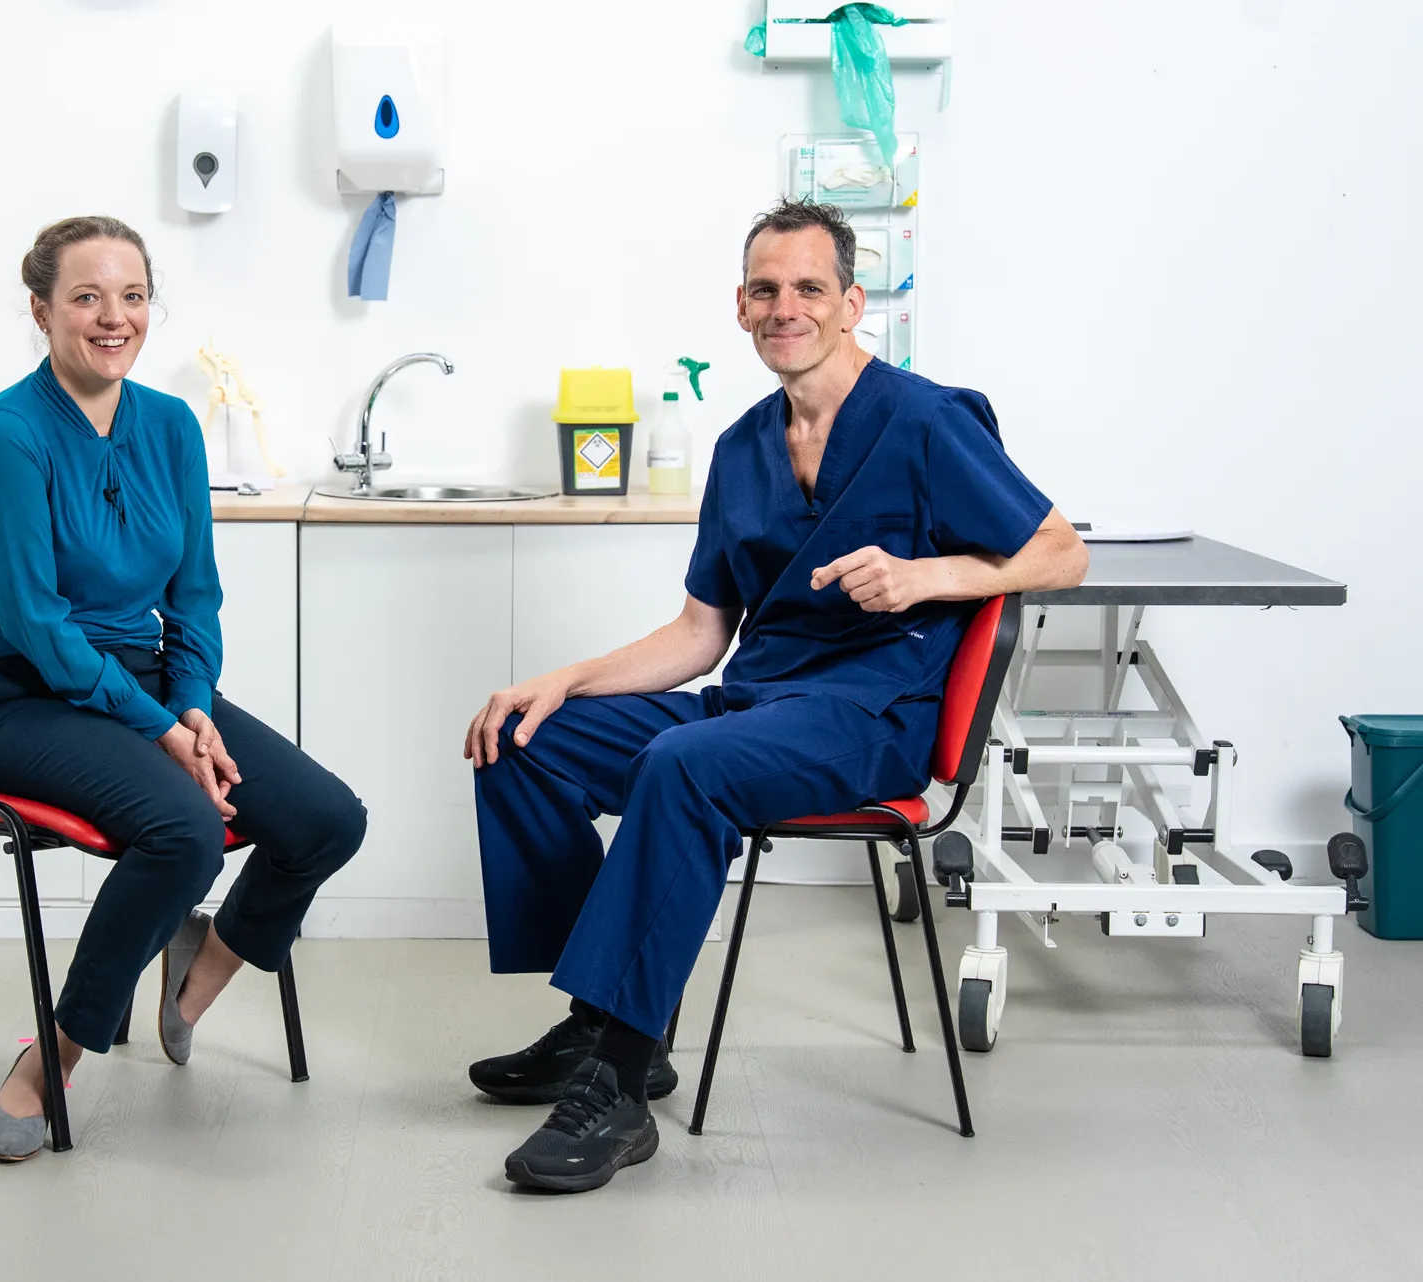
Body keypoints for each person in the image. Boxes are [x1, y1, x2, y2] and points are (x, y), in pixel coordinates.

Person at [463, 199, 1089, 1193]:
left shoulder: (926, 420)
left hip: (869, 717)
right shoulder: (740, 447)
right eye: (765, 289)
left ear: (852, 303)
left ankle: (618, 1086)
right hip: (757, 707)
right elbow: (701, 635)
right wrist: (562, 680)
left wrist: (929, 579)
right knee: (521, 740)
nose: (784, 306)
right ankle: (601, 1024)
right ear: (740, 306)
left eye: (808, 287)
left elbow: (1061, 552)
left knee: (681, 767)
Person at [0, 216, 366, 1162]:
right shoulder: (5, 437)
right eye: (87, 297)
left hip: (141, 689)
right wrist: (162, 730)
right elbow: (42, 629)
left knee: (328, 819)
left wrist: (194, 708)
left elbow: (196, 596)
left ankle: (196, 973)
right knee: (181, 831)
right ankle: (51, 1057)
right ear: (42, 308)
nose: (112, 318)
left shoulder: (171, 425)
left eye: (132, 296)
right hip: (14, 697)